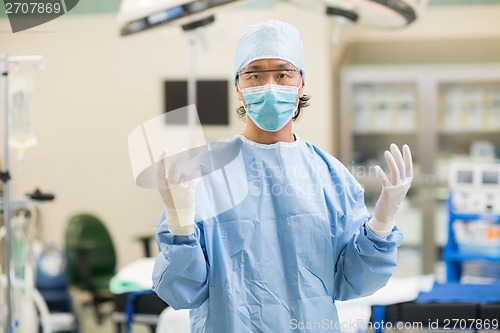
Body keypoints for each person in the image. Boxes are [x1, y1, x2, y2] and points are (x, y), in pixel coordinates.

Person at [152, 20, 413, 333]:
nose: (270, 85)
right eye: (255, 75)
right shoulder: (204, 175)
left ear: (301, 83)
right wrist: (179, 225)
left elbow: (351, 282)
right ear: (238, 87)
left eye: (282, 73)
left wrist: (381, 225)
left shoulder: (330, 176)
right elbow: (183, 291)